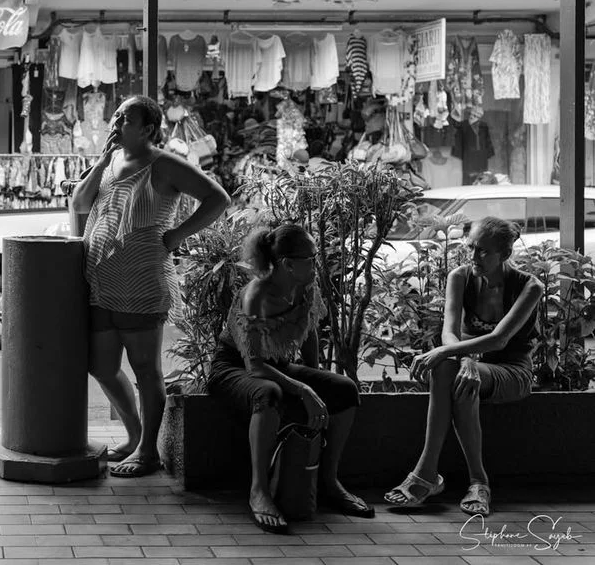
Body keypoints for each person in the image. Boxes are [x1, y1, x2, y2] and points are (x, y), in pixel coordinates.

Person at [71, 95, 230, 478]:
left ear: (147, 129)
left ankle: (148, 452)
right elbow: (79, 203)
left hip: (141, 280)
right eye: (116, 114)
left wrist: (177, 235)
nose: (116, 121)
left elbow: (217, 198)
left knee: (145, 370)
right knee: (102, 366)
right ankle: (135, 435)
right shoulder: (111, 161)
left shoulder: (165, 164)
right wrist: (101, 159)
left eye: (125, 118)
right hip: (101, 280)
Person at [207, 224, 374, 533]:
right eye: (311, 258)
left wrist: (316, 378)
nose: (317, 263)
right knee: (269, 392)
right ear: (287, 264)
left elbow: (308, 329)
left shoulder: (305, 286)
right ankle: (259, 491)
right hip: (234, 368)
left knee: (344, 389)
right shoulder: (256, 295)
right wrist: (304, 389)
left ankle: (328, 481)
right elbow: (255, 366)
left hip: (278, 366)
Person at [384, 217, 543, 517]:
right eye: (471, 247)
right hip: (471, 367)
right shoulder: (460, 277)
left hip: (512, 370)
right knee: (450, 371)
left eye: (483, 251)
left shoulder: (528, 287)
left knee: (450, 368)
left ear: (505, 254)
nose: (473, 257)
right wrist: (464, 357)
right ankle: (443, 475)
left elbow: (498, 340)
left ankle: (462, 478)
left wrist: (451, 353)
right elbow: (449, 331)